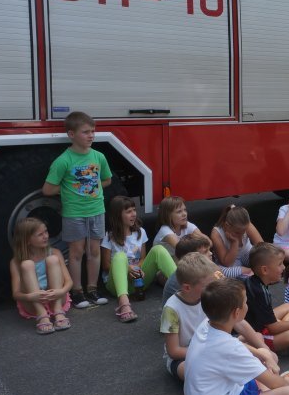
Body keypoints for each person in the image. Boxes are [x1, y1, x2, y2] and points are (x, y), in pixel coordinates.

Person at [183, 277, 289, 395]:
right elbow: (276, 384)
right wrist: (282, 380)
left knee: (265, 360)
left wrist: (261, 353)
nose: (248, 305)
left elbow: (233, 344)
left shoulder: (207, 324)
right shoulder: (230, 349)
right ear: (237, 312)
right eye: (246, 302)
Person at [42, 111, 111, 309]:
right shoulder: (64, 160)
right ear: (71, 134)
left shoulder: (99, 157)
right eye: (85, 132)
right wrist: (68, 189)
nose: (91, 135)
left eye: (93, 131)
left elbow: (107, 180)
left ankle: (93, 289)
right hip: (74, 213)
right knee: (76, 252)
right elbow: (47, 189)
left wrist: (89, 187)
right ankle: (77, 292)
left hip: (97, 210)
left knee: (94, 251)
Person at [101, 196, 177, 323]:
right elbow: (106, 265)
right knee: (120, 256)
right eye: (128, 211)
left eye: (134, 210)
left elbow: (142, 258)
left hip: (138, 282)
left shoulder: (140, 232)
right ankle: (124, 305)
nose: (133, 214)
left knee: (158, 249)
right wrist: (128, 269)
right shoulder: (109, 237)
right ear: (117, 215)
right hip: (117, 285)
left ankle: (183, 286)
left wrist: (138, 269)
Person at [244, 243, 289, 358]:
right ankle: (281, 348)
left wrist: (281, 324)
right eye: (280, 264)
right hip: (252, 334)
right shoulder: (260, 292)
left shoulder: (253, 281)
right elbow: (273, 328)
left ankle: (282, 344)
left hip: (258, 324)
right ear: (265, 270)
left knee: (288, 307)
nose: (284, 267)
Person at [9, 217, 72, 334]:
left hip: (56, 297)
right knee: (27, 264)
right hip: (33, 302)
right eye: (40, 234)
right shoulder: (16, 261)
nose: (46, 236)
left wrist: (61, 291)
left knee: (53, 259)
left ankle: (58, 311)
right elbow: (16, 294)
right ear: (27, 240)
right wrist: (31, 297)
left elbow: (69, 281)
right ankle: (42, 315)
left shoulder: (55, 252)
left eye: (46, 231)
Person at [160, 252, 218, 380]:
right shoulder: (171, 309)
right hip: (183, 358)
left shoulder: (207, 296)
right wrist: (207, 353)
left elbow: (236, 323)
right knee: (198, 372)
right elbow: (173, 351)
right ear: (187, 287)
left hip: (208, 348)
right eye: (209, 286)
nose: (213, 289)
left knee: (246, 345)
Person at [162, 233, 250, 304]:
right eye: (205, 252)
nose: (211, 253)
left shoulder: (207, 268)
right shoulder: (186, 278)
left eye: (209, 250)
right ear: (191, 258)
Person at [210, 205, 264, 270]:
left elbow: (262, 246)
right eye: (237, 233)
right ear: (227, 225)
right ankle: (247, 273)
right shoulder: (216, 233)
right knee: (225, 271)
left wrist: (260, 261)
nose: (241, 235)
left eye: (244, 231)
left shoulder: (246, 225)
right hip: (230, 262)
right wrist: (234, 242)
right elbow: (227, 263)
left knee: (264, 261)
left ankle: (249, 272)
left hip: (247, 253)